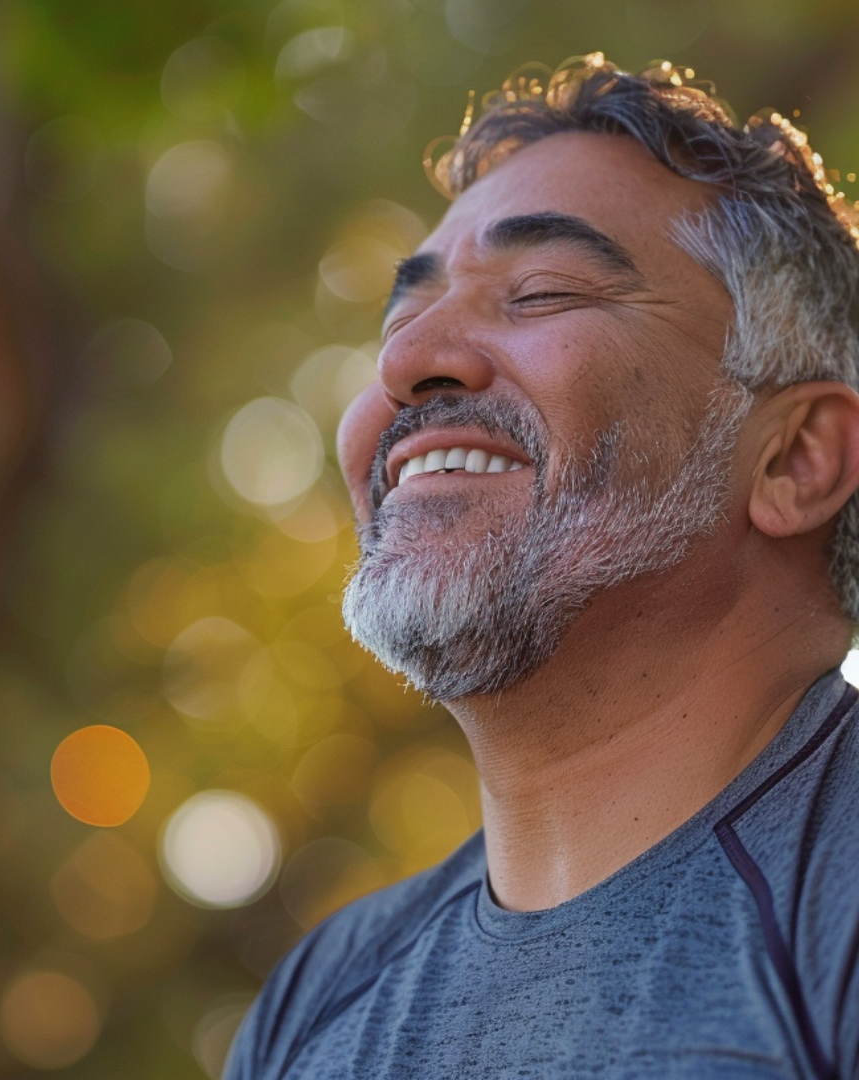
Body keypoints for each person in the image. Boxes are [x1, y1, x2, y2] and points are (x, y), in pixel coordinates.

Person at [225, 56, 859, 1077]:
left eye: (541, 291)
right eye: (399, 320)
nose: (404, 363)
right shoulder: (314, 1006)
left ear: (795, 459)